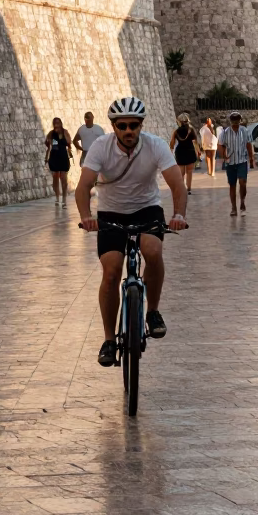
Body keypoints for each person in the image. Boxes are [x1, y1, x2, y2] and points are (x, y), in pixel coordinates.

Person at [74, 96, 188, 367]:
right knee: (112, 270)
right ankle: (108, 339)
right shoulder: (101, 147)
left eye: (134, 125)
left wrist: (178, 215)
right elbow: (84, 186)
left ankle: (153, 312)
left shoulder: (155, 145)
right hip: (111, 213)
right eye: (122, 125)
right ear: (114, 126)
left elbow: (177, 184)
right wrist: (86, 217)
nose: (128, 131)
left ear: (141, 125)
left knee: (153, 251)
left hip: (147, 209)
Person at [217, 111, 254, 215]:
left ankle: (242, 202)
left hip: (242, 161)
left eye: (237, 120)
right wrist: (223, 155)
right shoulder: (225, 132)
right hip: (230, 162)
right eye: (233, 120)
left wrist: (251, 159)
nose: (235, 122)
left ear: (240, 120)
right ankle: (234, 208)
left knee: (243, 182)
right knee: (232, 185)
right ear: (231, 121)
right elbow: (220, 145)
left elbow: (248, 145)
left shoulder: (245, 131)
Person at [169, 114, 200, 191]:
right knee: (189, 172)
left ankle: (182, 189)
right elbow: (195, 142)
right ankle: (189, 188)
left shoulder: (176, 131)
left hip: (180, 152)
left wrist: (171, 151)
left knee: (181, 173)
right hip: (190, 151)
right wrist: (198, 151)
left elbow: (172, 143)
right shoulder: (191, 130)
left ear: (179, 121)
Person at [45, 118, 73, 202]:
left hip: (63, 156)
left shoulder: (65, 132)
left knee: (63, 178)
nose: (56, 124)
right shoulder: (51, 133)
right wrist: (46, 157)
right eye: (55, 123)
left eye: (58, 123)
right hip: (54, 157)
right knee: (55, 178)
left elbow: (69, 142)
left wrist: (61, 136)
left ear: (61, 123)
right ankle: (57, 196)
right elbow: (48, 145)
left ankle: (64, 197)